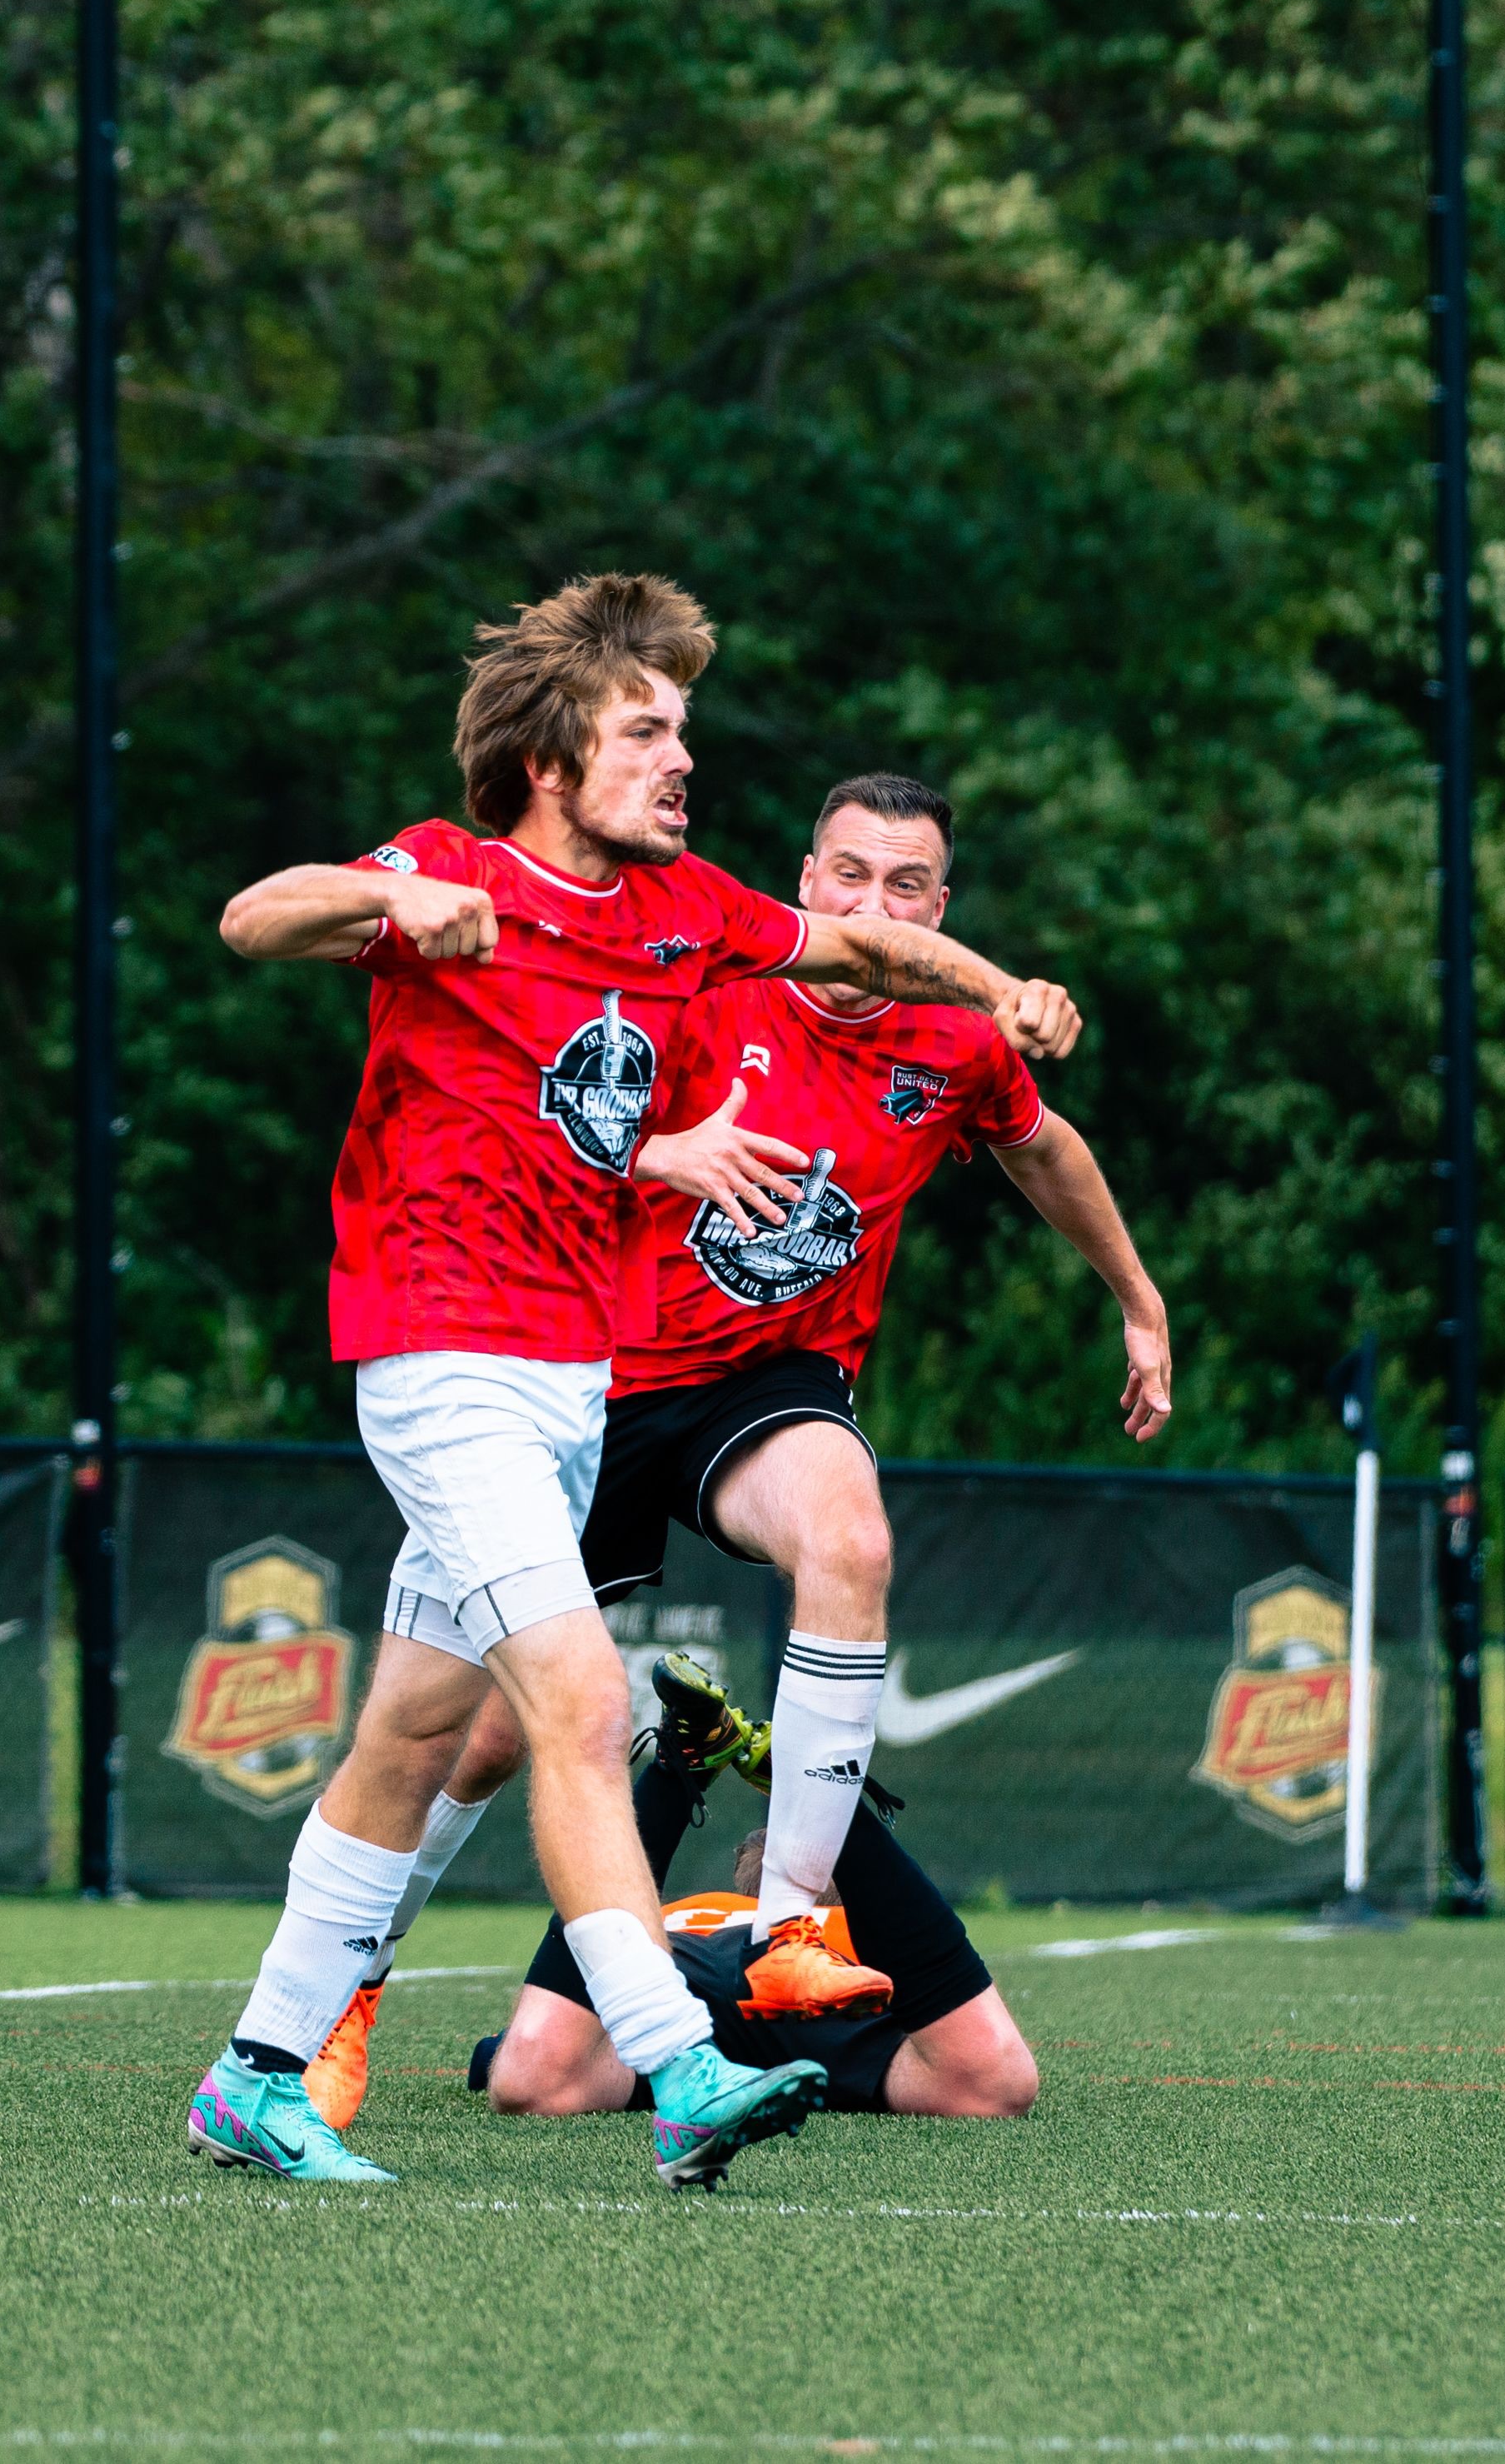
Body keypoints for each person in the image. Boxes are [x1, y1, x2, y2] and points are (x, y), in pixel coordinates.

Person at [189, 575, 1080, 2192]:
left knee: (409, 1729)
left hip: (563, 1376)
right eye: (647, 728)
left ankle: (256, 2070)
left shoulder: (686, 909)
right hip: (436, 1349)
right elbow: (256, 918)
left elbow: (861, 935)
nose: (683, 756)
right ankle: (680, 2062)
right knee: (586, 1701)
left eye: (685, 726)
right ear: (550, 756)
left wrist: (991, 988)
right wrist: (384, 910)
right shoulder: (453, 866)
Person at [300, 771, 1164, 2122]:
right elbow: (543, 1112)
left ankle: (787, 1916)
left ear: (939, 906)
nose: (874, 904)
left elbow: (1040, 1146)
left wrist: (1135, 1296)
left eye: (908, 883)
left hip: (766, 1382)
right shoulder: (698, 974)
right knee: (465, 1742)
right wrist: (667, 1151)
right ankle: (340, 1994)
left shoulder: (953, 1036)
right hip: (582, 1376)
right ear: (805, 883)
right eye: (849, 874)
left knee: (848, 1533)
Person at [321, 1658, 1039, 2147]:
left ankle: (746, 1773)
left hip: (823, 2007)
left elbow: (494, 2059)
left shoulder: (841, 1934)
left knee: (995, 2082)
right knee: (530, 2076)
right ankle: (753, 1773)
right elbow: (516, 2065)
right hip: (679, 2007)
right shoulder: (694, 1922)